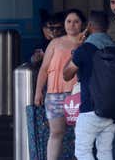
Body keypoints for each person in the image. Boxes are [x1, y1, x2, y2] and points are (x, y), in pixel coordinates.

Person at [63, 10, 115, 160]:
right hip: (111, 110)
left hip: (89, 109)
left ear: (89, 26)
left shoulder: (84, 49)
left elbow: (66, 75)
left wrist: (76, 49)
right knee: (105, 152)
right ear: (107, 27)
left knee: (82, 151)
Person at [34, 9, 86, 160]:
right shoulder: (55, 43)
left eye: (76, 21)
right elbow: (44, 69)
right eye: (69, 21)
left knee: (81, 133)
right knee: (56, 133)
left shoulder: (86, 43)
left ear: (82, 24)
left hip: (78, 94)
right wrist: (38, 91)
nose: (72, 25)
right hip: (54, 94)